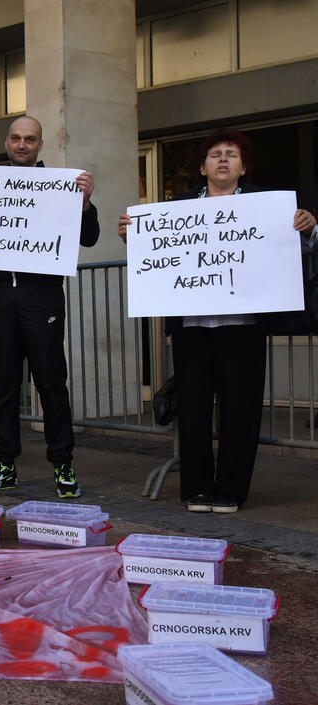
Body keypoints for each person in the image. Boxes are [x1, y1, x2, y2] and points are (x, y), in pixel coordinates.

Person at [118, 127, 317, 513]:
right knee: (193, 407)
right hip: (192, 328)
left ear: (243, 168)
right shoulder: (177, 209)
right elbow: (158, 254)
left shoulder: (267, 207)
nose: (223, 159)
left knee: (240, 409)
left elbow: (297, 249)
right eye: (215, 154)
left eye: (231, 154)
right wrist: (134, 237)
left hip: (244, 327)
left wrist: (308, 230)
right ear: (202, 167)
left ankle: (230, 490)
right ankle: (196, 488)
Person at [0, 115, 99, 498]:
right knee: (4, 387)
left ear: (40, 145)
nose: (22, 144)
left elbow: (90, 238)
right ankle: (4, 465)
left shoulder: (60, 186)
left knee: (51, 385)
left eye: (29, 139)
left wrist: (85, 204)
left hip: (41, 300)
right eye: (16, 138)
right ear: (6, 143)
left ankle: (63, 466)